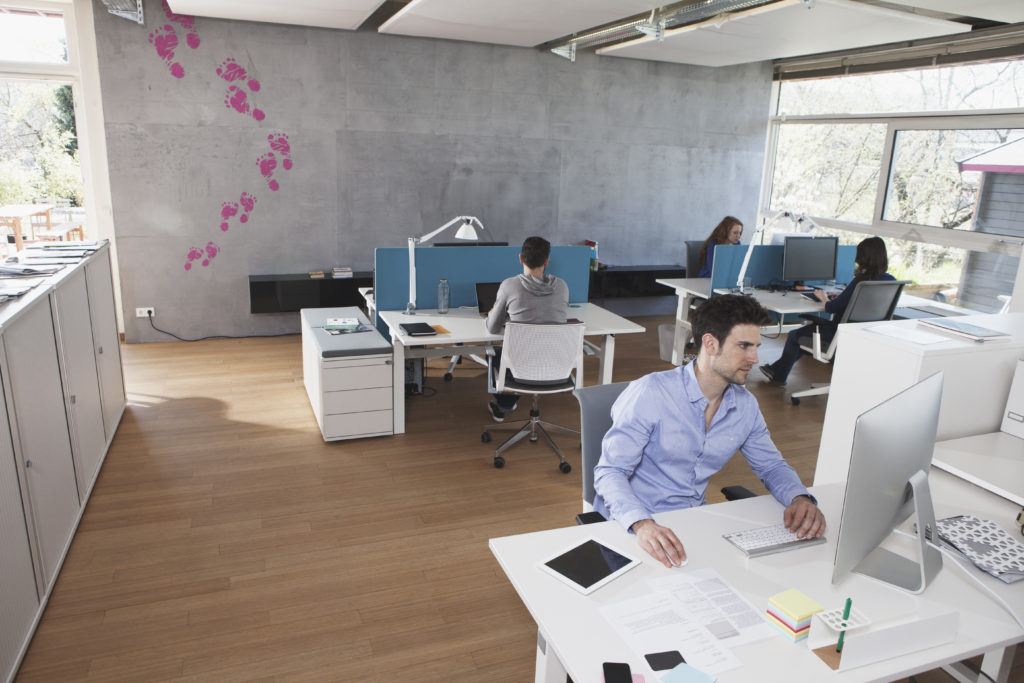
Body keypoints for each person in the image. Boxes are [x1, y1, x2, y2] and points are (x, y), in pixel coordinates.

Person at [593, 294, 824, 568]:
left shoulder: (745, 406)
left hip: (693, 523)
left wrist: (799, 498)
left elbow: (771, 466)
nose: (755, 358)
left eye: (756, 346)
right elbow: (611, 472)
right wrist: (642, 524)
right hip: (635, 525)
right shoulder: (651, 393)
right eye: (744, 346)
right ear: (711, 344)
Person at [759, 236, 894, 387]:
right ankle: (776, 370)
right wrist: (842, 296)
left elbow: (831, 308)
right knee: (807, 334)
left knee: (795, 335)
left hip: (839, 334)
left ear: (863, 257)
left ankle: (779, 377)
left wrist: (823, 298)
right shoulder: (890, 281)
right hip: (864, 337)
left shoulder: (861, 281)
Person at [485, 236, 569, 422]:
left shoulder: (510, 286)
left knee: (493, 352)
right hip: (556, 366)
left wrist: (494, 314)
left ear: (520, 258)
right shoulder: (562, 287)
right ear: (546, 262)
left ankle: (506, 403)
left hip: (521, 368)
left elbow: (492, 327)